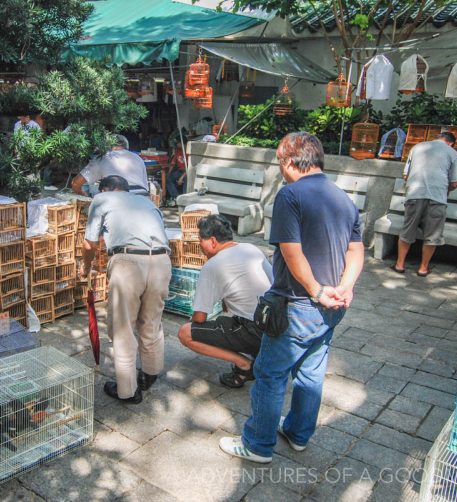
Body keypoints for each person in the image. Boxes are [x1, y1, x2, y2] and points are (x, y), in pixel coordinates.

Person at [219, 132, 364, 463]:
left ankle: (257, 444)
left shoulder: (290, 195)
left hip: (298, 302)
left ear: (288, 161)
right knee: (311, 371)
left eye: (278, 162)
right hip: (333, 305)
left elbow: (291, 251)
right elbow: (356, 250)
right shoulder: (342, 197)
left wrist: (315, 290)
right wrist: (346, 286)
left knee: (270, 373)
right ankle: (298, 434)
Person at [81, 175, 172, 403]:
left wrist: (86, 267)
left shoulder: (102, 198)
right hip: (161, 261)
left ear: (106, 189)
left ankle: (128, 391)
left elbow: (89, 243)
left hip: (128, 262)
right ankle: (149, 374)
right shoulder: (148, 202)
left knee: (122, 328)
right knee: (151, 322)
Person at [177, 214, 273, 388]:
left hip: (254, 330)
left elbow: (199, 318)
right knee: (228, 308)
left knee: (186, 333)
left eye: (201, 240)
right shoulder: (251, 248)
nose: (200, 246)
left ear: (212, 241)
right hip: (275, 324)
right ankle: (259, 354)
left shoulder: (213, 265)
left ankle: (244, 365)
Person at [392, 132, 457, 277]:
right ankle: (423, 268)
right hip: (437, 198)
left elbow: (405, 175)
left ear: (438, 138)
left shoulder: (417, 147)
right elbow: (454, 183)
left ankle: (400, 264)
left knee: (407, 230)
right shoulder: (452, 153)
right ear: (451, 143)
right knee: (432, 234)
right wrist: (443, 189)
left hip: (415, 195)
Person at [72, 135, 150, 196]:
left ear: (107, 146)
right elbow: (145, 188)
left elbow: (76, 183)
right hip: (143, 200)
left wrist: (82, 193)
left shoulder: (103, 157)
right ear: (126, 147)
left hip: (118, 203)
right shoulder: (138, 158)